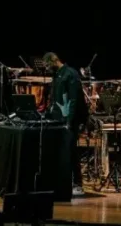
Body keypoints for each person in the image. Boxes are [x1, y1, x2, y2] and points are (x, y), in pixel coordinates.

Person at [43, 52, 88, 197]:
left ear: (54, 61)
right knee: (59, 151)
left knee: (71, 151)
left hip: (69, 119)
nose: (47, 69)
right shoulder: (57, 75)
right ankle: (61, 182)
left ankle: (78, 184)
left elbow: (74, 100)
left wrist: (69, 121)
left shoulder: (71, 74)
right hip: (57, 118)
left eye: (47, 65)